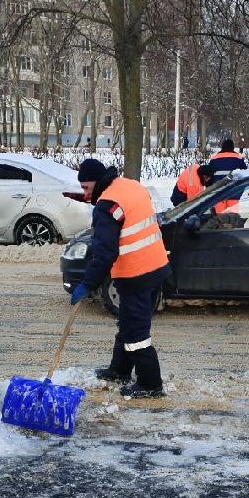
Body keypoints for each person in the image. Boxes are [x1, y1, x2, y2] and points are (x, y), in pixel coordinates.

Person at [71, 158, 171, 399]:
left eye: (86, 187)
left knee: (136, 333)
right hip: (156, 265)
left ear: (96, 182)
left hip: (136, 273)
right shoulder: (131, 186)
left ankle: (150, 384)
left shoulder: (106, 205)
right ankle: (120, 370)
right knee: (128, 323)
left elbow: (105, 252)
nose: (85, 194)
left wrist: (87, 283)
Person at [207, 138, 247, 215]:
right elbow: (244, 175)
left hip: (219, 194)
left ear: (222, 147)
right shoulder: (238, 158)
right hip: (234, 192)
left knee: (219, 218)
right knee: (232, 219)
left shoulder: (214, 159)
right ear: (232, 147)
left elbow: (209, 177)